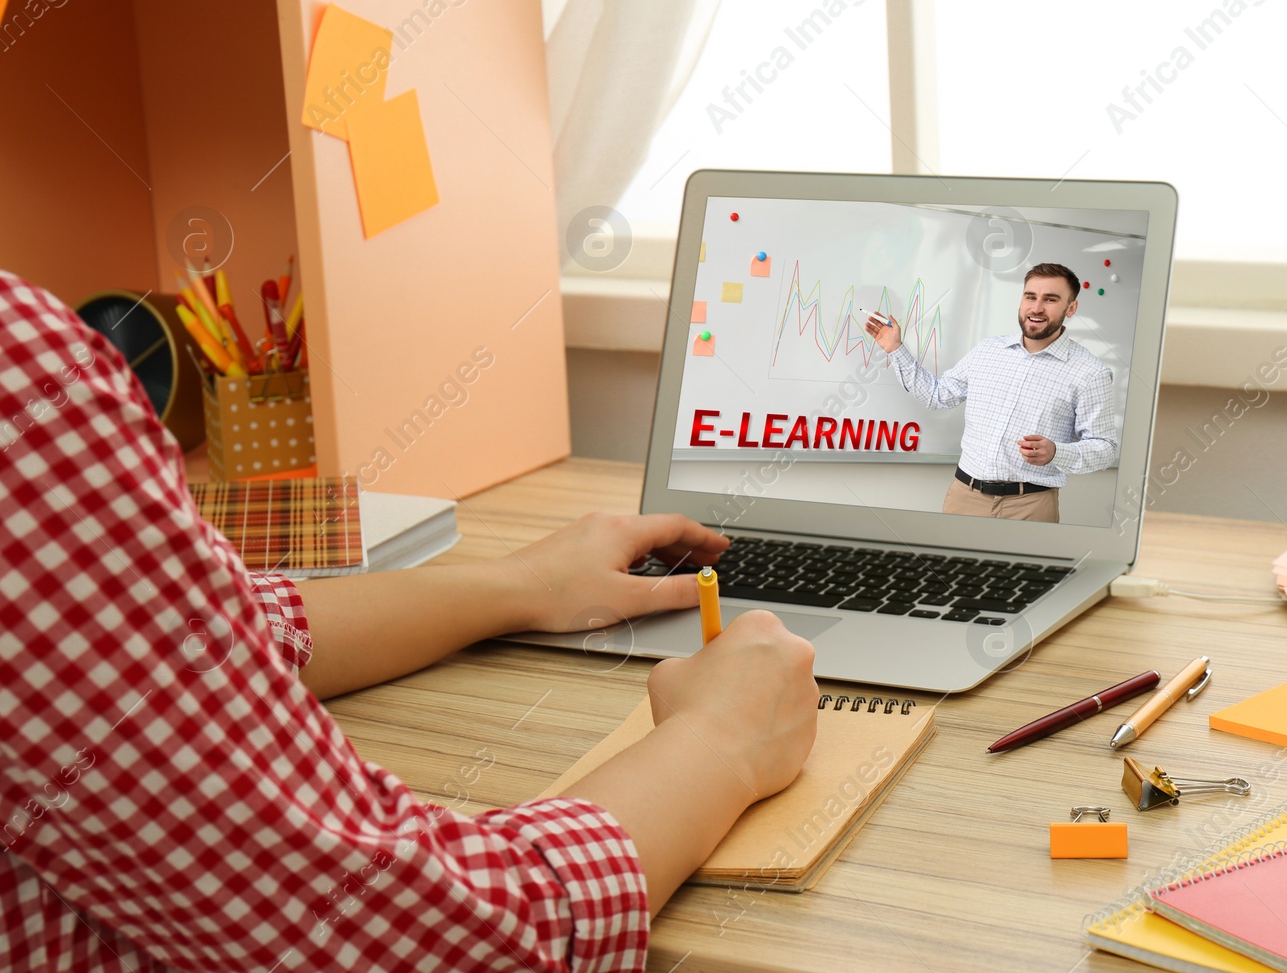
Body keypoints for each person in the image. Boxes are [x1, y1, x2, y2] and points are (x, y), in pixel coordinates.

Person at [0, 270, 819, 972]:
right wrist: (720, 743)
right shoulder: (21, 371)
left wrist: (522, 583)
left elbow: (216, 634)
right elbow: (439, 945)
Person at [865, 262, 1117, 523]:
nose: (1037, 308)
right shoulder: (988, 351)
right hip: (964, 497)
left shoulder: (1090, 372)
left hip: (1031, 506)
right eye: (1030, 297)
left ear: (1071, 308)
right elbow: (937, 395)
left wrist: (1056, 452)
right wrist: (895, 348)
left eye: (1050, 299)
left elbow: (1104, 448)